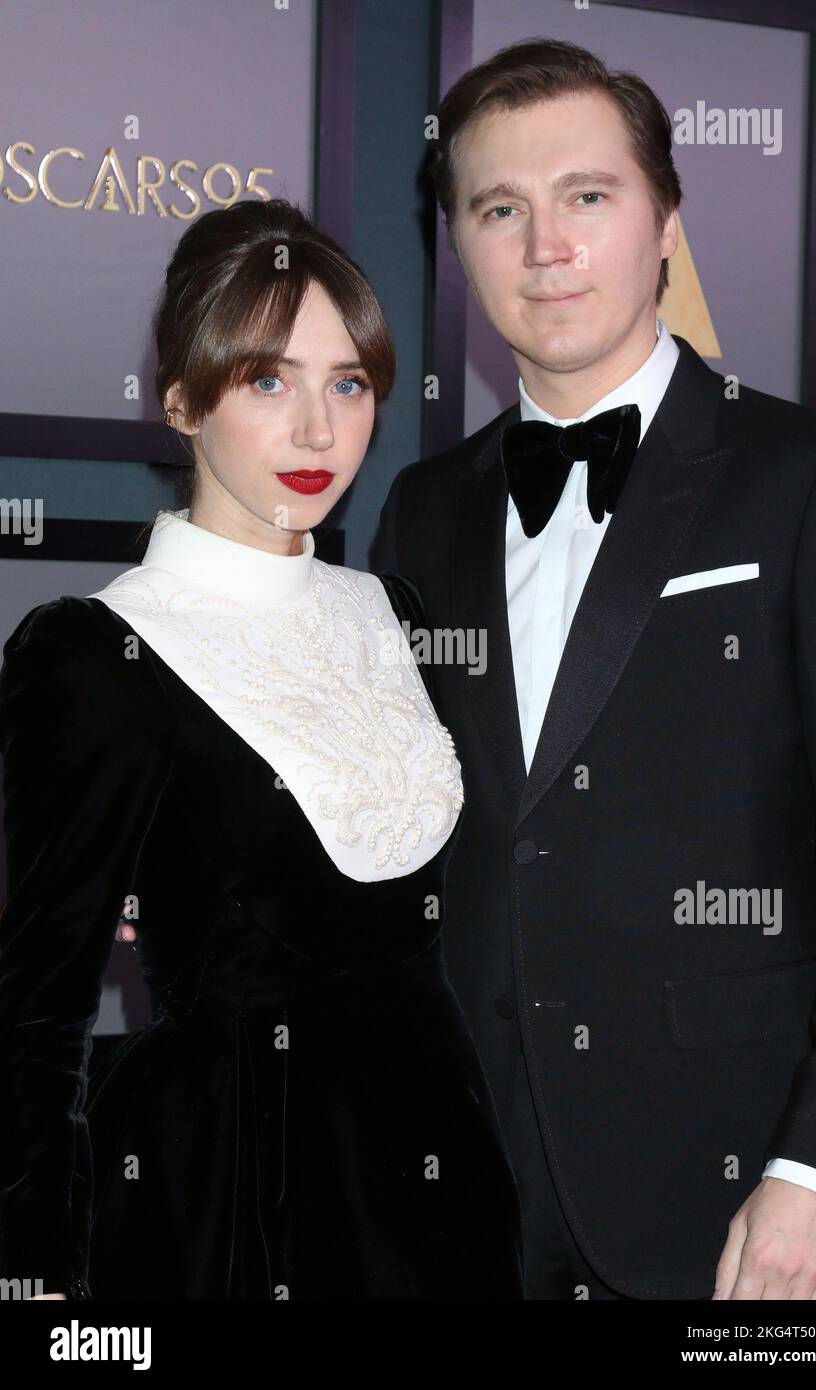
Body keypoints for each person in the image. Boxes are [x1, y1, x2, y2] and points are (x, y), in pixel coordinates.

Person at [372, 39, 816, 1300]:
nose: (545, 246)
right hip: (470, 1188)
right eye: (499, 208)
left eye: (586, 196)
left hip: (737, 1201)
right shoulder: (419, 511)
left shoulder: (813, 478)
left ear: (664, 223)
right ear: (460, 246)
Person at [0, 198, 523, 1300]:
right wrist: (37, 1295)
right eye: (266, 380)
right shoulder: (97, 656)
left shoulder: (402, 611)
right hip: (236, 1205)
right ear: (182, 400)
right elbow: (31, 1026)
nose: (318, 431)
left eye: (347, 382)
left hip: (441, 1188)